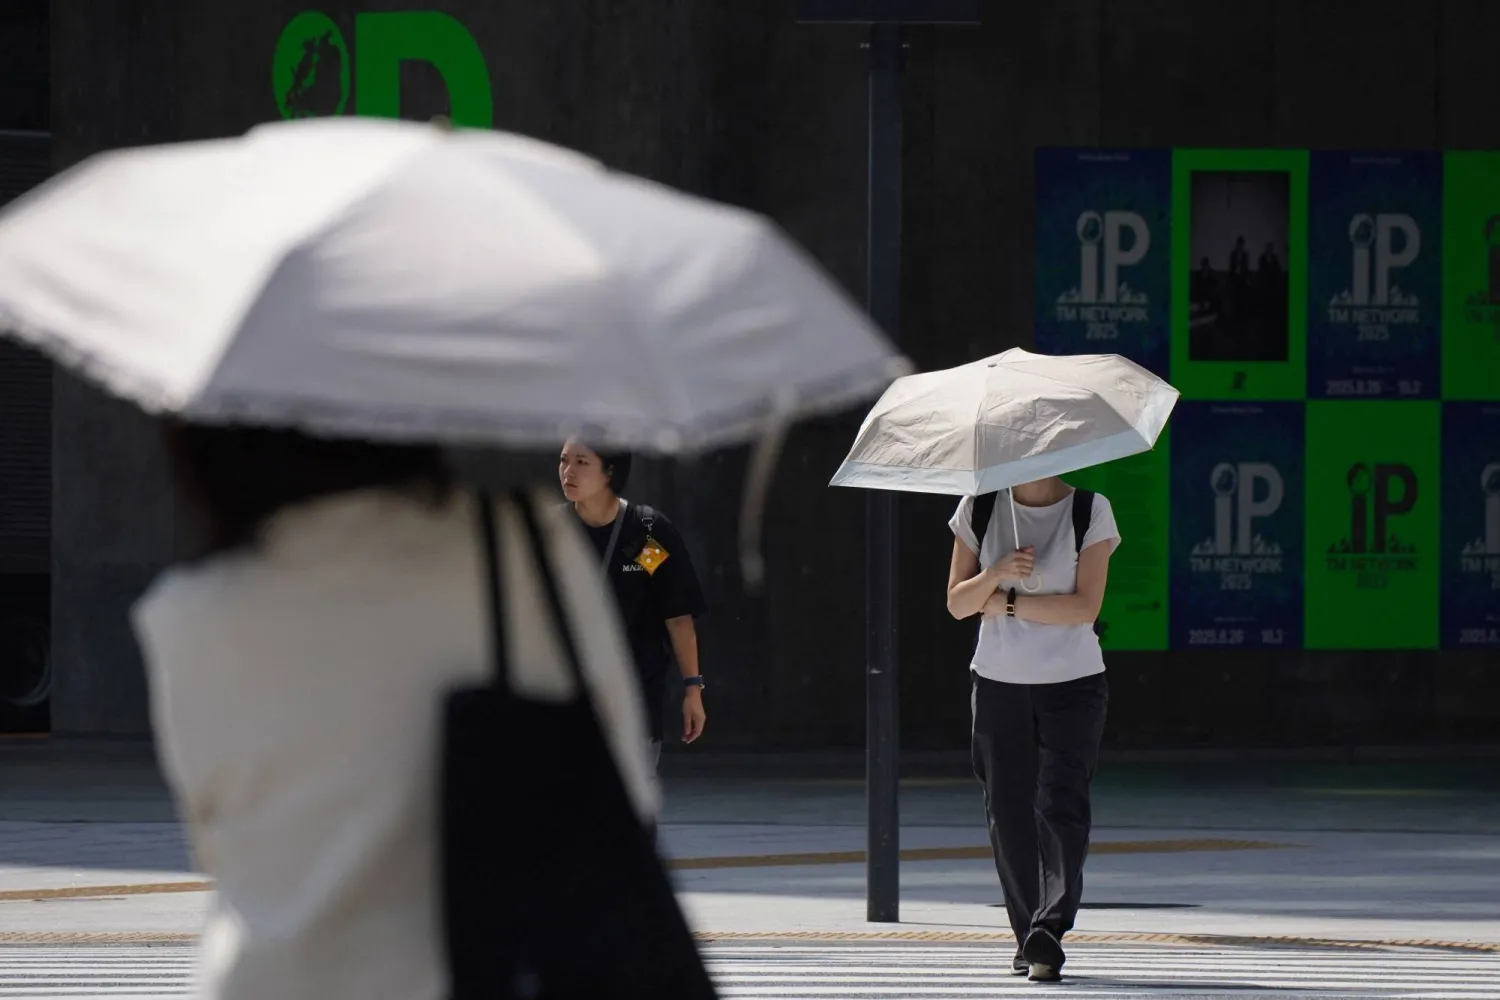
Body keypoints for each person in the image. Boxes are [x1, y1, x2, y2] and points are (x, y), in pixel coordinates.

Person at [131, 424, 657, 1000]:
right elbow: (622, 795)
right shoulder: (527, 549)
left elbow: (222, 847)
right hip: (492, 973)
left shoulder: (189, 611)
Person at [945, 476, 1119, 983]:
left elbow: (1084, 608)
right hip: (999, 683)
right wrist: (996, 573)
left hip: (1074, 683)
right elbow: (957, 603)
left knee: (1062, 804)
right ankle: (1030, 937)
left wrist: (1006, 601)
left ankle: (1050, 926)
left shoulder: (1090, 510)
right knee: (1008, 811)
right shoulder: (978, 510)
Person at [558, 439, 707, 815]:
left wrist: (693, 688)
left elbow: (677, 616)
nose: (568, 472)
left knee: (631, 799)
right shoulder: (552, 531)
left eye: (581, 462)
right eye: (563, 461)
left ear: (610, 473)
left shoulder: (644, 535)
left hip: (633, 692)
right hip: (561, 690)